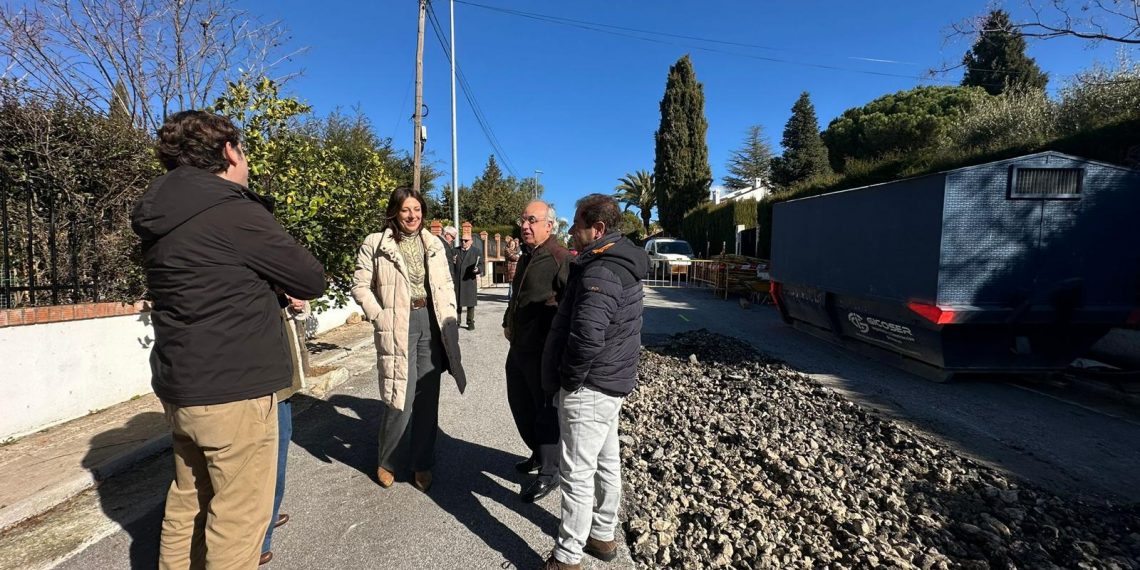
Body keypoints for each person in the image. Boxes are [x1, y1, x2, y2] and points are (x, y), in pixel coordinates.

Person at [131, 110, 326, 569]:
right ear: (226, 152)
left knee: (187, 504)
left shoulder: (161, 213)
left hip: (182, 386)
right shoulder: (231, 210)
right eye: (241, 150)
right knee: (237, 522)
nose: (246, 161)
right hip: (235, 389)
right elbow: (309, 276)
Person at [540, 194, 649, 570]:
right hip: (611, 382)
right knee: (606, 463)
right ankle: (602, 535)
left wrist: (569, 381)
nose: (571, 230)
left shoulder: (602, 270)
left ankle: (568, 555)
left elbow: (587, 336)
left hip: (590, 386)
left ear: (598, 229)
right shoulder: (620, 261)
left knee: (577, 473)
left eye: (577, 224)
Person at [351, 187, 466, 492]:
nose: (412, 216)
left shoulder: (435, 245)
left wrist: (450, 316)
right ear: (395, 212)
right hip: (398, 323)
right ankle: (387, 460)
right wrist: (380, 315)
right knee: (399, 396)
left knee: (428, 397)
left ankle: (422, 462)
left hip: (431, 321)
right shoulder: (375, 244)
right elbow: (360, 286)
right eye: (406, 210)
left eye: (417, 209)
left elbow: (445, 285)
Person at [502, 201, 570, 504]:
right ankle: (538, 454)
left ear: (549, 226)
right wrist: (508, 321)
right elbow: (517, 295)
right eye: (523, 219)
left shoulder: (559, 258)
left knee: (544, 411)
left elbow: (570, 305)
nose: (525, 225)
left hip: (542, 351)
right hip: (520, 346)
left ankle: (550, 472)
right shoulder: (529, 254)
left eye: (532, 220)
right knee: (521, 403)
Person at [260, 297, 307, 565]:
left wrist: (296, 304)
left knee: (280, 442)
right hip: (264, 378)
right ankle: (258, 538)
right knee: (270, 456)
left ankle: (269, 513)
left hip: (278, 377)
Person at [453, 230, 482, 330]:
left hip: (469, 280)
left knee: (470, 303)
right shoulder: (455, 251)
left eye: (466, 240)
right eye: (462, 240)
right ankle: (457, 321)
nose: (463, 242)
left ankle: (470, 322)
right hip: (457, 280)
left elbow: (481, 265)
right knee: (457, 302)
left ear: (471, 241)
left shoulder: (476, 251)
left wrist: (477, 269)